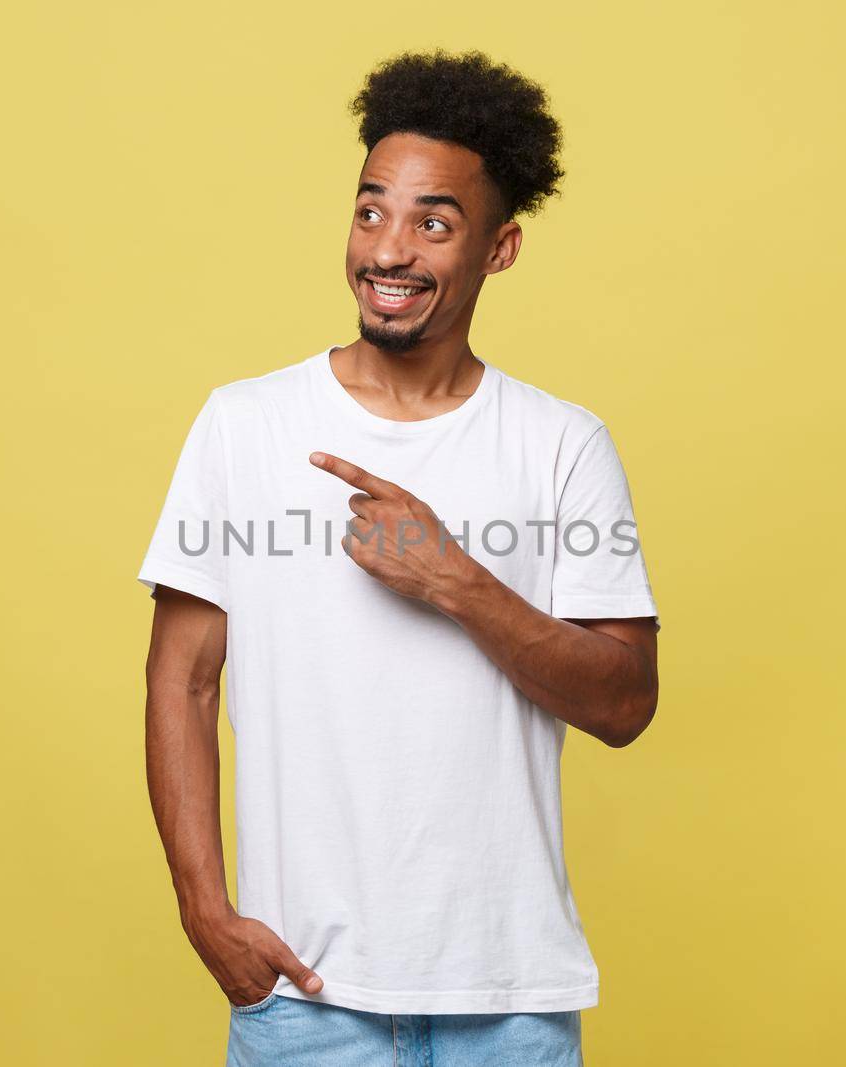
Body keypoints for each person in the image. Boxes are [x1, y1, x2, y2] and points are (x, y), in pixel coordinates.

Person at [138, 48, 659, 1066]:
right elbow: (183, 680)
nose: (389, 248)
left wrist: (452, 578)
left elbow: (624, 701)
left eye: (433, 222)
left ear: (498, 250)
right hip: (302, 996)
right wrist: (206, 911)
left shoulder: (562, 444)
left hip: (509, 1003)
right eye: (371, 210)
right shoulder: (242, 424)